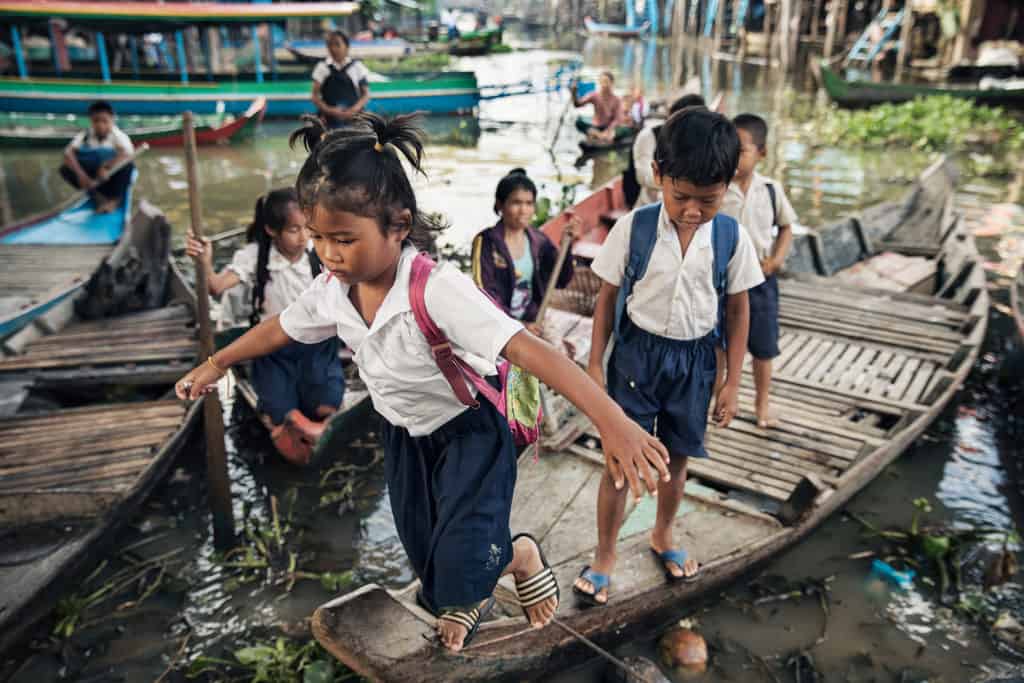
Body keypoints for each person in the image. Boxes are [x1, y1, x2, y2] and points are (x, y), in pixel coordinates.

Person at [174, 112, 670, 653]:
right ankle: (468, 587)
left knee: (463, 558)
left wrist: (612, 419)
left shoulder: (436, 289)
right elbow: (279, 329)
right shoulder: (334, 287)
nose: (328, 253)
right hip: (405, 435)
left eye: (343, 239)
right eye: (317, 238)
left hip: (470, 434)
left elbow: (531, 351)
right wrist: (218, 362)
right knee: (429, 558)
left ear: (399, 225)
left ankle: (518, 556)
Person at [573, 108, 764, 605]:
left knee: (677, 459)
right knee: (619, 461)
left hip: (696, 361)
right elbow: (607, 298)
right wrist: (595, 363)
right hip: (636, 357)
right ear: (658, 175)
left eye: (709, 199)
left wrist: (732, 381)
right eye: (682, 197)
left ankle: (663, 534)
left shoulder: (731, 239)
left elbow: (739, 309)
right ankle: (605, 555)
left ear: (729, 185)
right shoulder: (633, 229)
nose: (694, 211)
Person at [185, 188, 344, 466]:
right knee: (278, 414)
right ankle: (291, 421)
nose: (304, 236)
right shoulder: (254, 257)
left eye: (307, 228)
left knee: (325, 405)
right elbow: (216, 287)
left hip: (317, 345)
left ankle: (312, 425)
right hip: (273, 348)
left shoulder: (316, 250)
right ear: (272, 230)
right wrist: (205, 261)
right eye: (294, 230)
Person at [720, 114, 797, 429]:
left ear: (761, 153)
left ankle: (762, 404)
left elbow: (786, 227)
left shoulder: (771, 190)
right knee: (720, 344)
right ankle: (720, 400)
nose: (734, 157)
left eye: (742, 150)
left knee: (763, 347)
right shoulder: (719, 188)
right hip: (723, 281)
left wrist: (776, 260)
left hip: (761, 280)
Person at [471, 168, 577, 332]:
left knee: (559, 353)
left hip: (534, 320)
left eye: (529, 203)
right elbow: (485, 294)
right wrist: (519, 327)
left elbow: (562, 280)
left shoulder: (539, 240)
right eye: (516, 203)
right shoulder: (486, 242)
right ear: (501, 204)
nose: (523, 210)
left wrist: (567, 246)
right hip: (499, 325)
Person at [628, 93, 706, 208]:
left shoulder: (703, 138)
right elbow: (643, 175)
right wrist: (683, 185)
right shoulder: (649, 136)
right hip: (651, 205)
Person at [60, 100, 135, 214]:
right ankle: (97, 196)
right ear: (91, 121)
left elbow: (128, 154)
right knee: (65, 169)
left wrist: (107, 167)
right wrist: (81, 175)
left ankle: (115, 200)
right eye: (96, 121)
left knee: (128, 165)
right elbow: (68, 153)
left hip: (112, 177)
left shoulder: (118, 136)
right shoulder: (86, 135)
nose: (100, 125)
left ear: (112, 119)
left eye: (105, 121)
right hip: (93, 180)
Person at [311, 30, 371, 130]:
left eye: (337, 44)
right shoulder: (322, 67)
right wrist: (329, 110)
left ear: (347, 47)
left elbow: (365, 94)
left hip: (354, 118)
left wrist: (353, 110)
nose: (333, 49)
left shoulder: (357, 67)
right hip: (329, 119)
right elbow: (314, 96)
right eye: (330, 45)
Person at [572, 71, 626, 144]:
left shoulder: (616, 99)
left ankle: (601, 137)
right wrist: (574, 93)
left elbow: (617, 119)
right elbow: (577, 104)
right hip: (595, 128)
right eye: (602, 82)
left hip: (608, 128)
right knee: (578, 122)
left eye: (606, 82)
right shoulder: (594, 95)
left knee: (622, 130)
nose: (604, 84)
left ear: (612, 83)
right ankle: (599, 136)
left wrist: (608, 131)